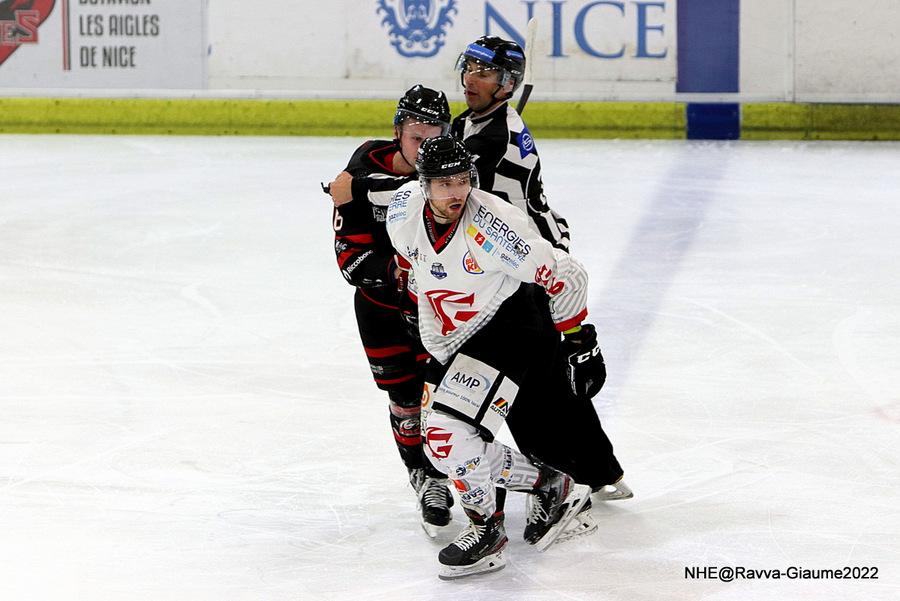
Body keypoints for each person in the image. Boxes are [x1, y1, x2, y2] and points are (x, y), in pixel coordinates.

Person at [386, 136, 607, 579]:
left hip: (506, 327)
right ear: (422, 184)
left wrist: (581, 341)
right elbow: (411, 262)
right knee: (442, 445)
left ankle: (487, 530)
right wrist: (415, 301)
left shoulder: (496, 229)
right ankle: (549, 482)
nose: (455, 192)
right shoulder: (403, 209)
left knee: (449, 434)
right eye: (443, 183)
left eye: (462, 180)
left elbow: (567, 274)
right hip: (451, 338)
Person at [452, 36, 632, 503]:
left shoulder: (491, 139)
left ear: (508, 84)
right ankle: (600, 472)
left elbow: (447, 197)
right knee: (545, 379)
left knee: (526, 388)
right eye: (469, 67)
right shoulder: (476, 125)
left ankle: (567, 476)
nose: (472, 79)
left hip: (526, 271)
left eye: (485, 73)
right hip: (522, 261)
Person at [327, 85, 455, 537]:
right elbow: (350, 260)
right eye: (417, 136)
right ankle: (426, 477)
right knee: (405, 403)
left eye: (435, 135)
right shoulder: (361, 166)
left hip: (441, 314)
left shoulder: (449, 172)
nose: (426, 146)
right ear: (397, 132)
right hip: (382, 311)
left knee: (449, 401)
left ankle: (463, 473)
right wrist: (403, 273)